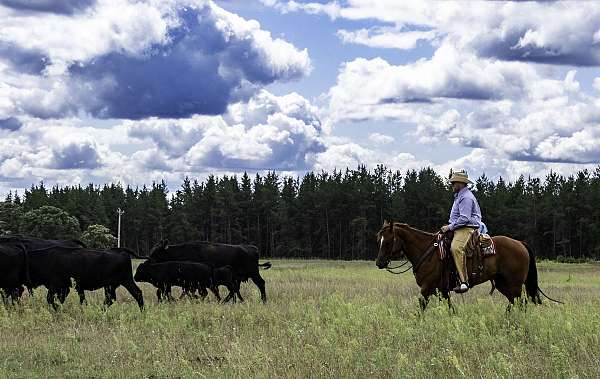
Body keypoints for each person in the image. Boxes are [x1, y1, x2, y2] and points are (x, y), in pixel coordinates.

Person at [440, 171, 484, 294]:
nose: (452, 185)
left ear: (461, 183)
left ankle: (464, 282)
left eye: (454, 183)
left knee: (456, 248)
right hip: (458, 227)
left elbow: (465, 218)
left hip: (466, 228)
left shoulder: (466, 197)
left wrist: (450, 227)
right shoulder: (460, 196)